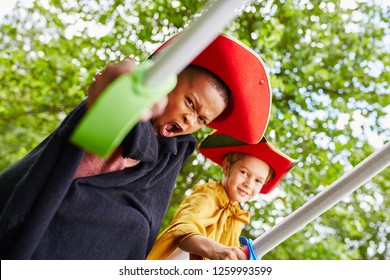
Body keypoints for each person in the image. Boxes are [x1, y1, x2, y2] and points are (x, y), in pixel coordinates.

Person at [0, 34, 271, 259]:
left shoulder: (171, 154)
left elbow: (144, 222)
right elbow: (121, 100)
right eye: (190, 103)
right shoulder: (129, 105)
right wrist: (125, 87)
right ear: (166, 83)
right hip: (33, 218)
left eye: (202, 119)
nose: (191, 120)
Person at [147, 132, 297, 260]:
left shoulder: (236, 215)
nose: (249, 184)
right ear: (226, 168)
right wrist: (216, 250)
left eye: (258, 181)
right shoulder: (208, 194)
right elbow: (182, 229)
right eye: (244, 173)